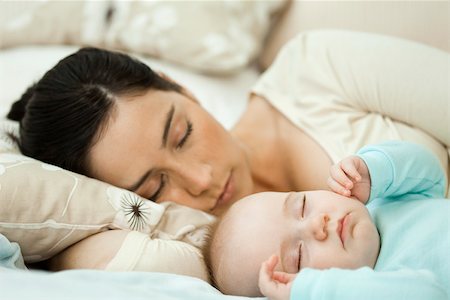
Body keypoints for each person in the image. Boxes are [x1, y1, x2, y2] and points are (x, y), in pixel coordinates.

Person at [6, 30, 449, 268]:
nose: (203, 180)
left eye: (183, 135)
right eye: (156, 187)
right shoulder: (217, 262)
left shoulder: (317, 69)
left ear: (183, 90)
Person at [206, 141, 449, 300]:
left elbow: (432, 179)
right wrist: (316, 291)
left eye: (302, 206)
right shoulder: (375, 288)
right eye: (298, 256)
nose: (316, 225)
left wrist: (374, 170)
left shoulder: (382, 202)